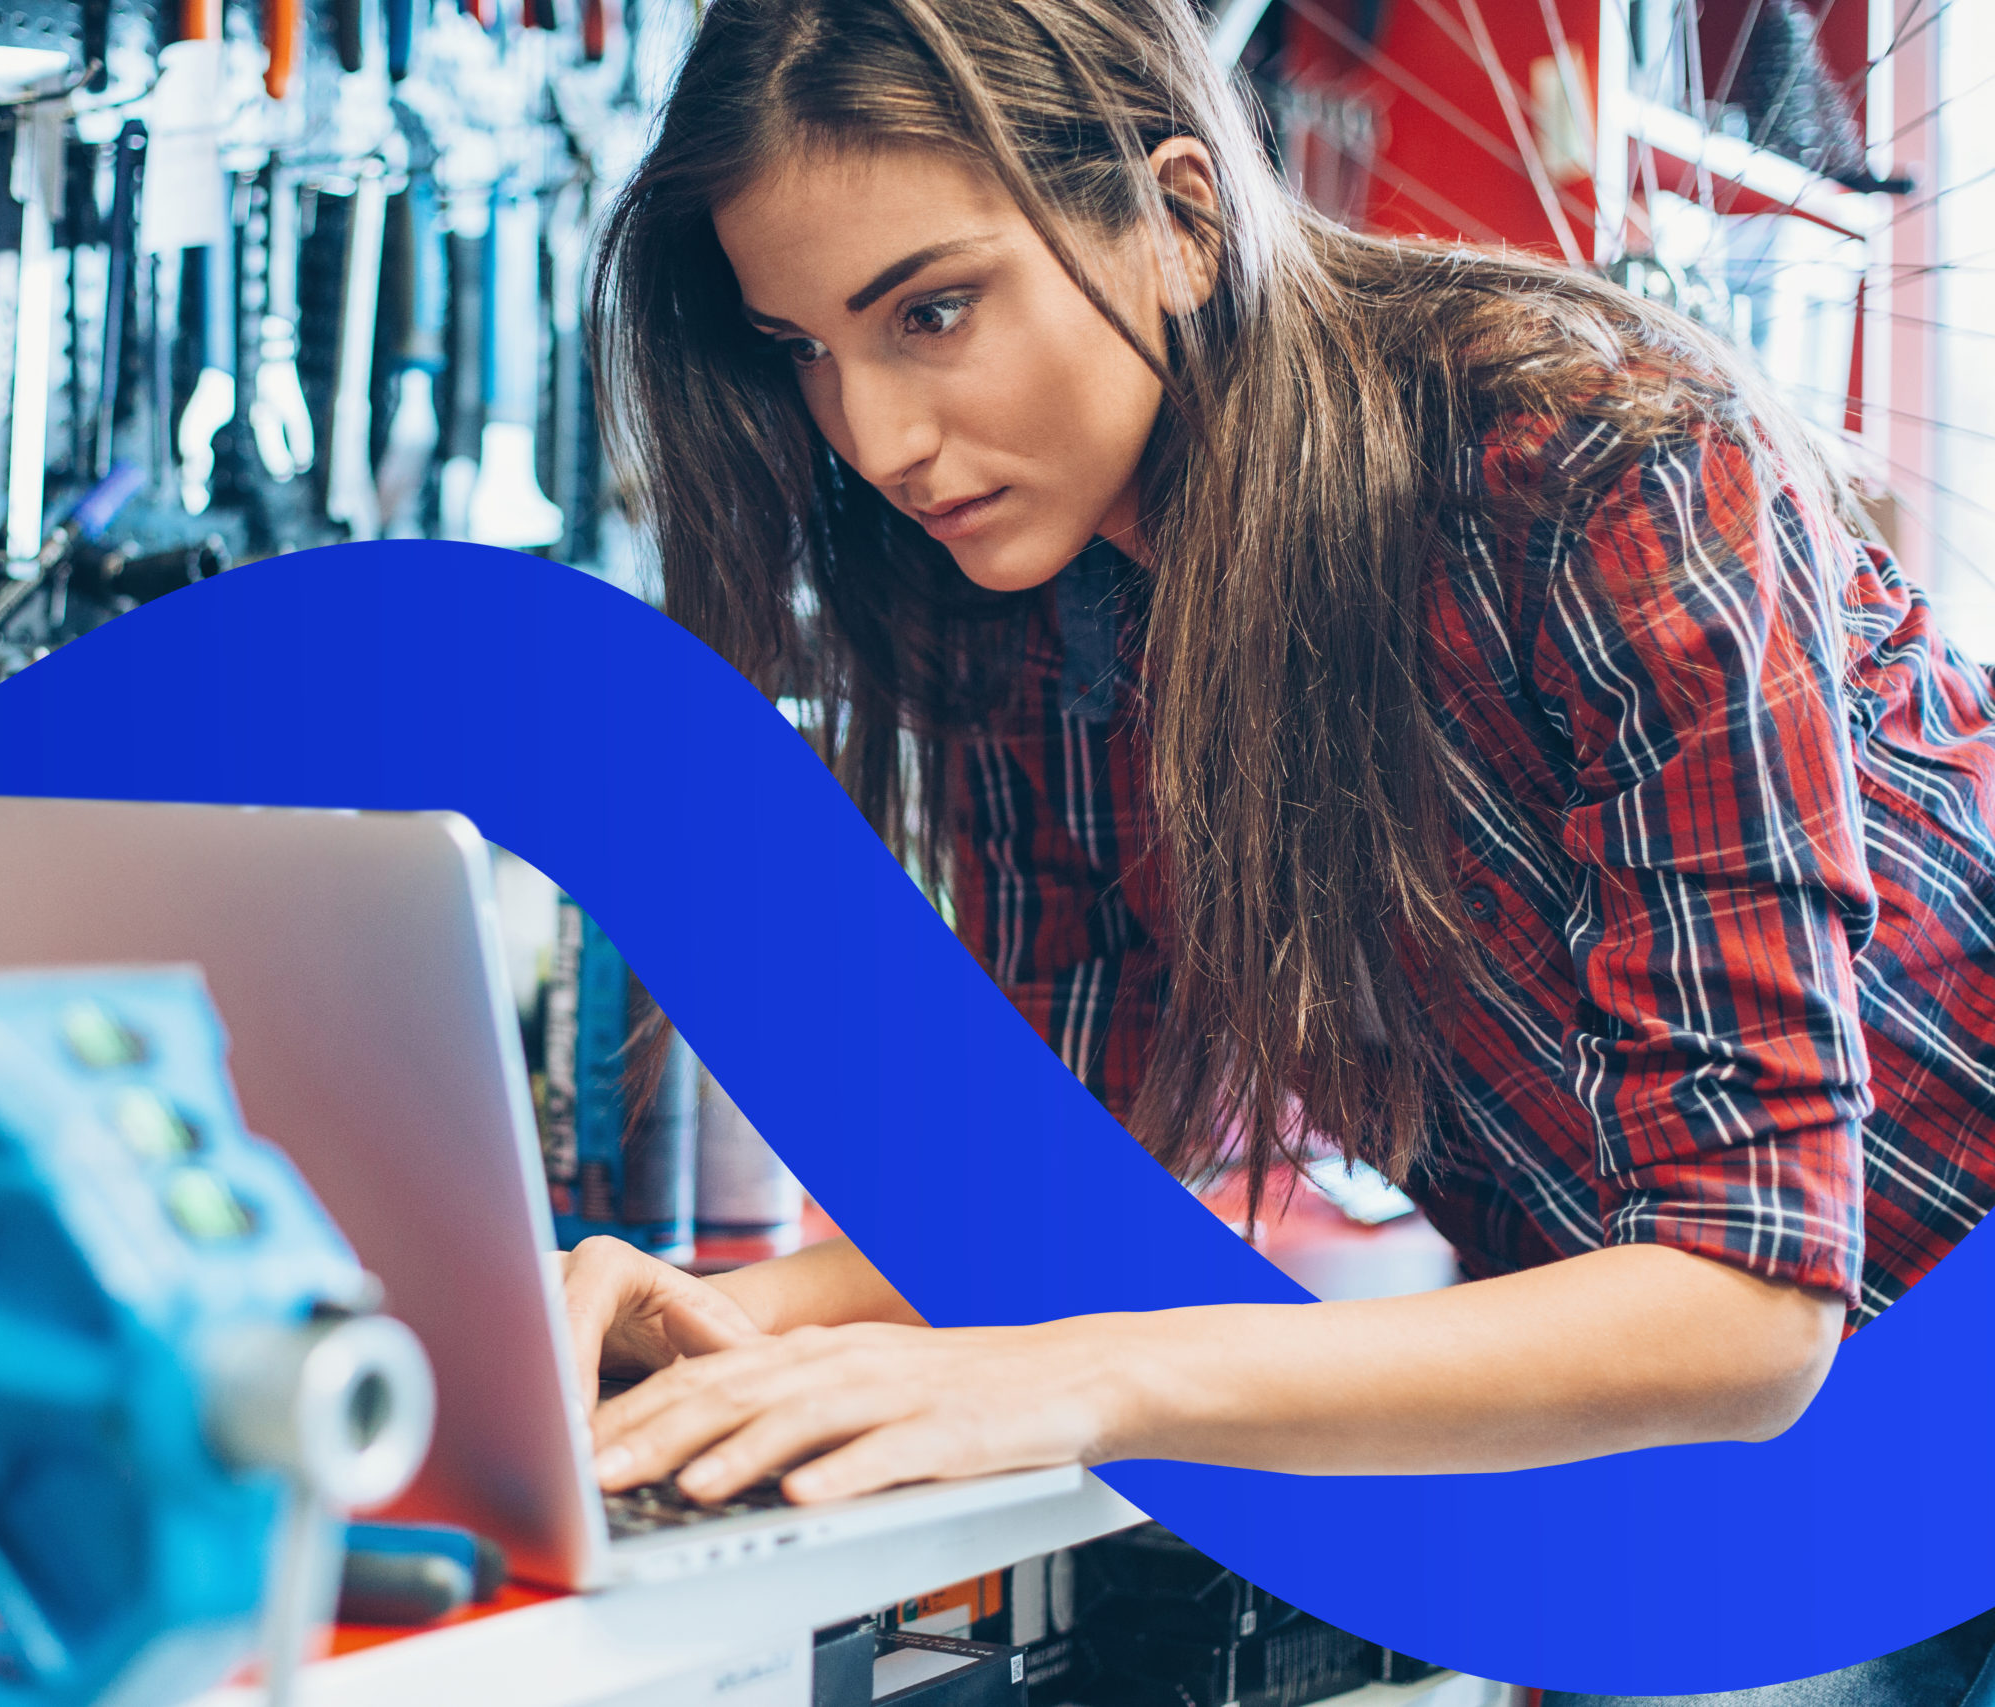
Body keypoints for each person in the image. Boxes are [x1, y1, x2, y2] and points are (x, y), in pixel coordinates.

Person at [566, 0, 1995, 1698]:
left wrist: (1075, 1377)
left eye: (931, 312)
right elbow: (1071, 1175)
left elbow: (1744, 1306)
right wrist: (709, 1322)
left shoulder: (1596, 459)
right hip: (1716, 1445)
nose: (874, 439)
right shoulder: (1025, 604)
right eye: (802, 348)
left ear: (1177, 216)